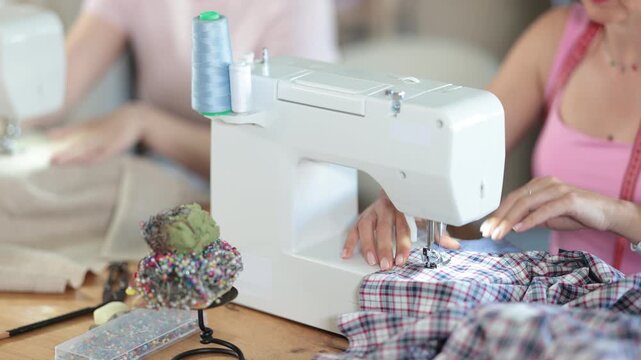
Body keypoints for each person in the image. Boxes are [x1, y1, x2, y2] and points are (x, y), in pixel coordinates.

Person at [344, 0, 641, 274]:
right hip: (569, 303)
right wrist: (403, 194)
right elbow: (465, 148)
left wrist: (614, 214)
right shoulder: (558, 36)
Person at [38, 0, 338, 179]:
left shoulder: (297, 5)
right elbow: (50, 89)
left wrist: (144, 123)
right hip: (169, 180)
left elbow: (285, 156)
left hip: (263, 193)